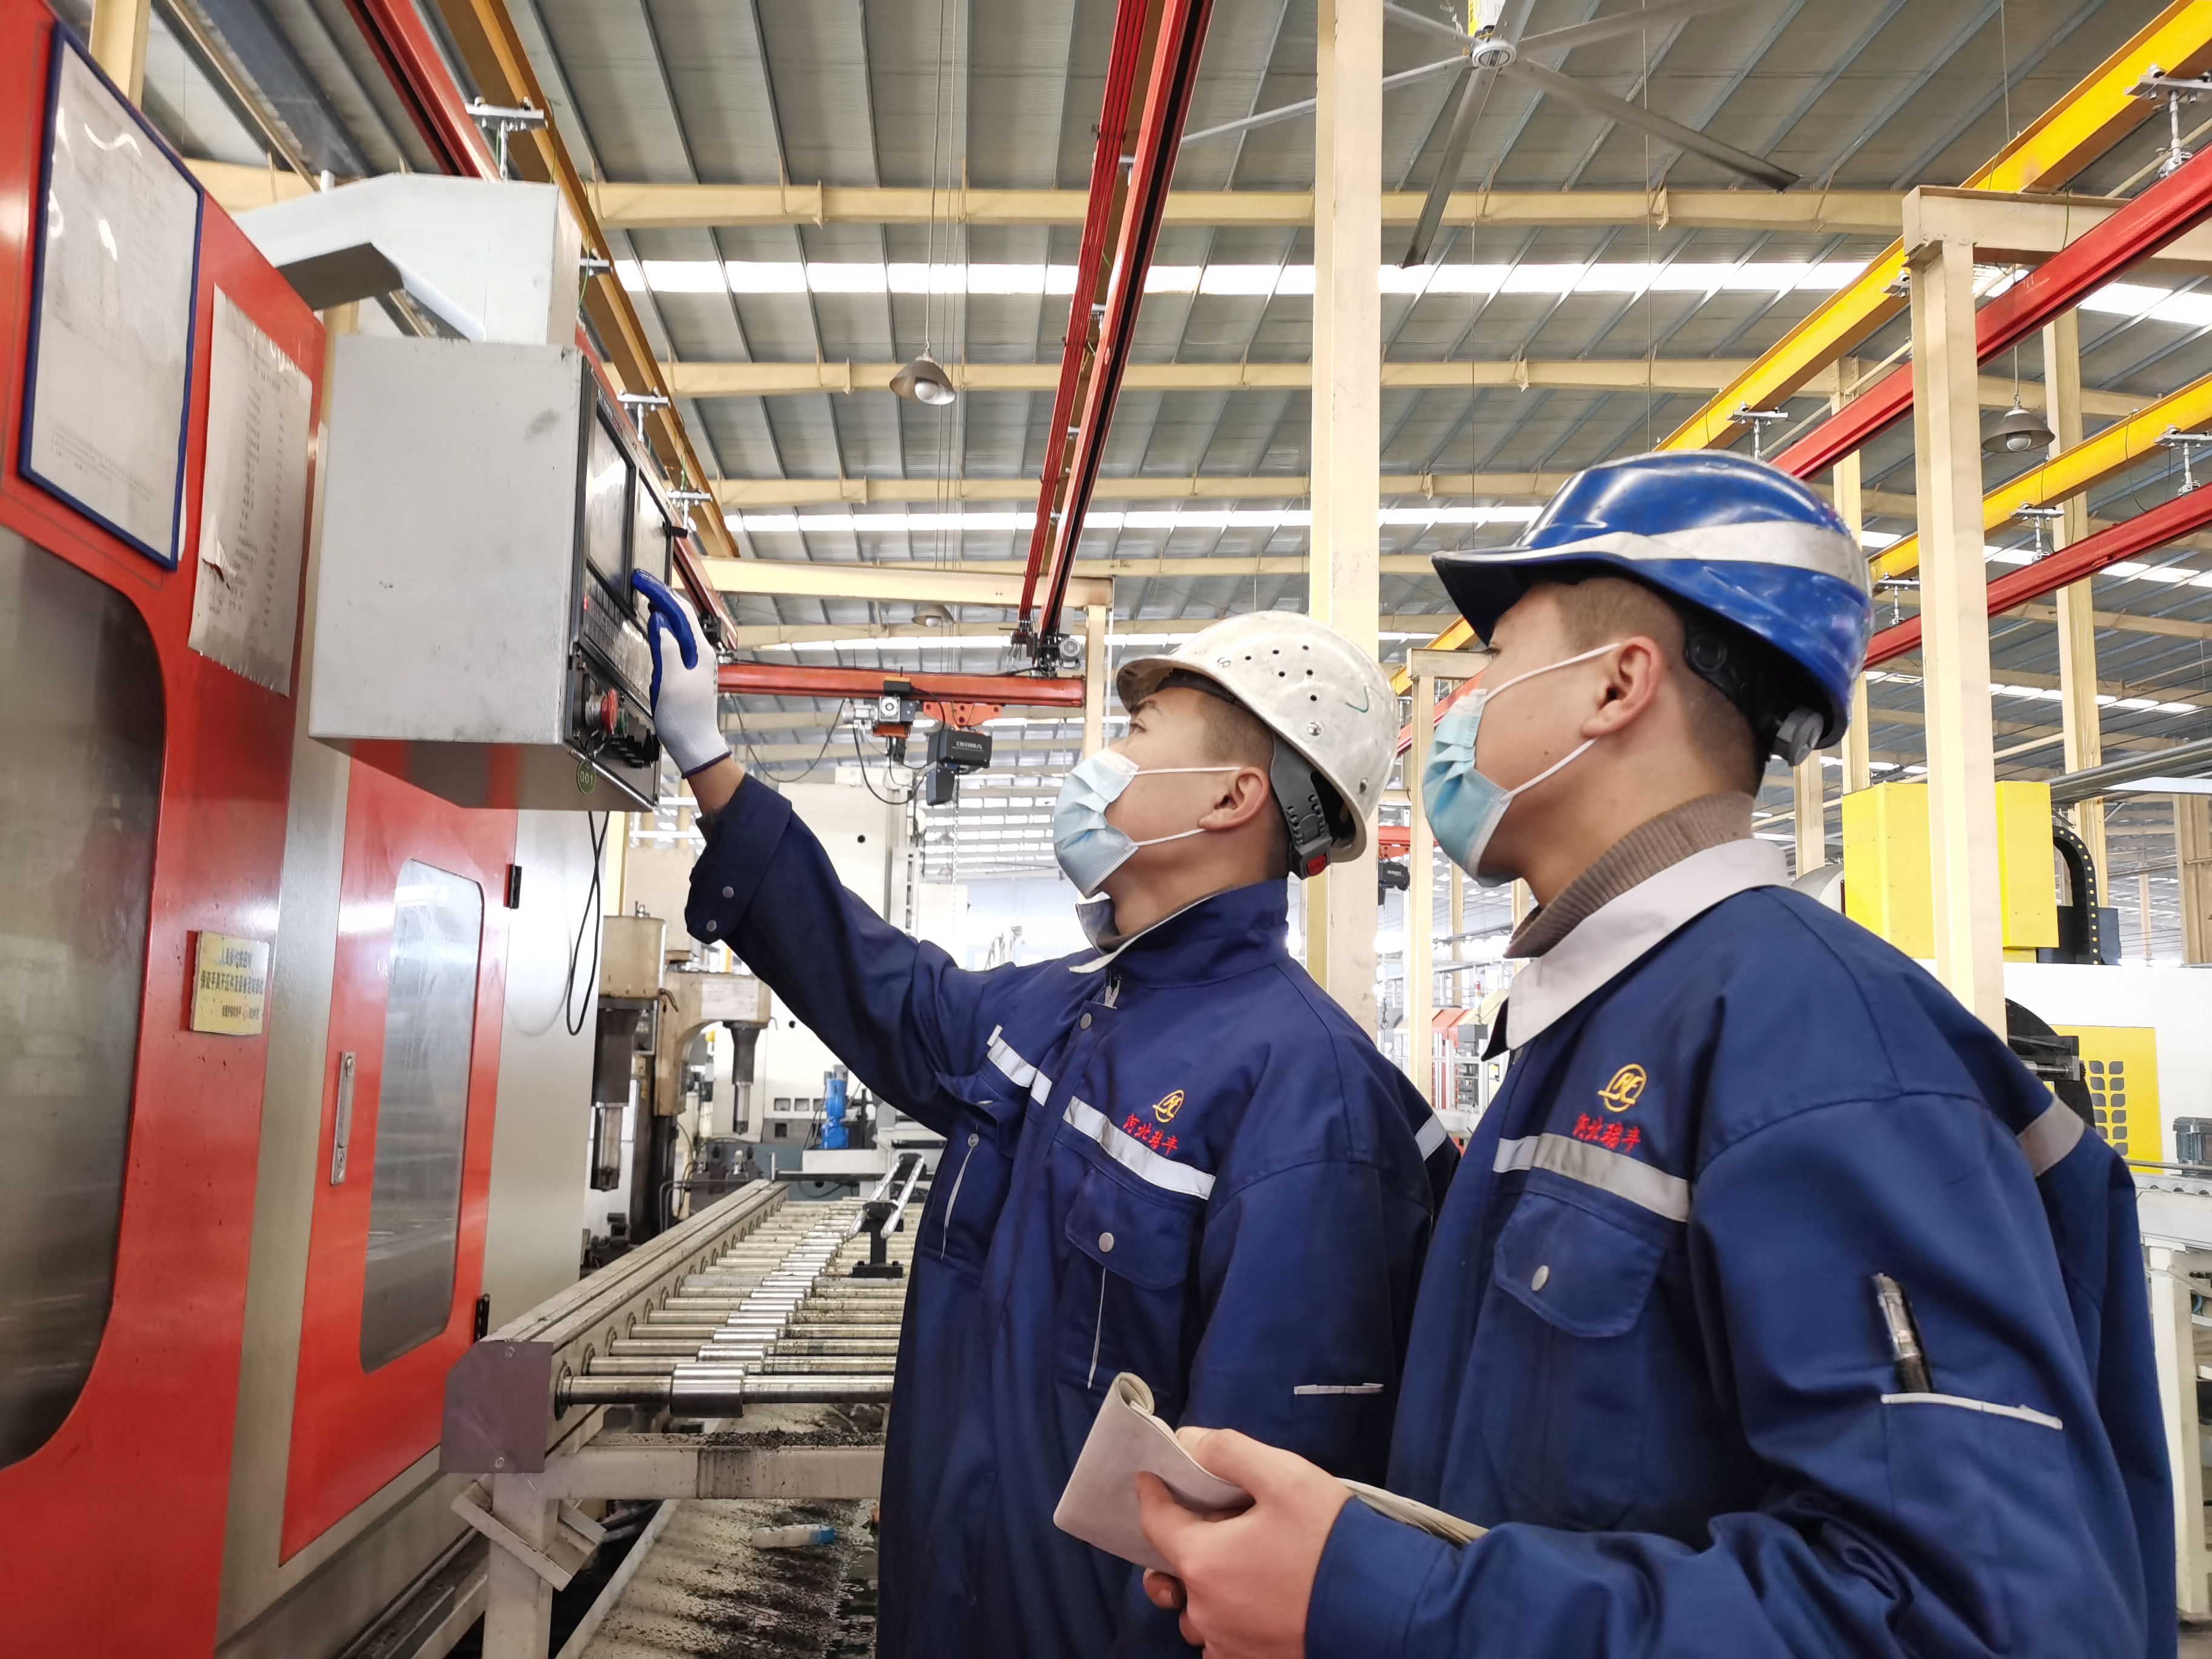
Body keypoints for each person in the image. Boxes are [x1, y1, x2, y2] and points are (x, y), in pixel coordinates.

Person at [1133, 451, 2173, 1659]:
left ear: (1617, 685)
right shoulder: (1601, 1020)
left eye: (1494, 662)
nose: (1456, 711)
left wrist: (1390, 1601)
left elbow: (1970, 1620)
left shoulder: (1819, 1046)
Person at [628, 584, 1458, 1659]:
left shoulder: (1311, 1101)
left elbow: (1251, 1526)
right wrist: (708, 760)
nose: (1103, 759)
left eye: (1138, 732)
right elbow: (883, 987)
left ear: (1231, 796)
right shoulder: (1059, 1008)